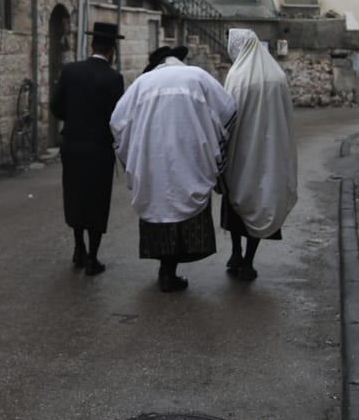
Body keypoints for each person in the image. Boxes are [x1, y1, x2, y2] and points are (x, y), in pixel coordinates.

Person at [110, 47, 237, 292]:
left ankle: (165, 269)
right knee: (186, 215)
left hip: (153, 162)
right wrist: (214, 142)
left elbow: (117, 122)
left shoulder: (142, 83)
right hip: (190, 159)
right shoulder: (197, 77)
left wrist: (133, 158)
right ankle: (172, 270)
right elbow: (228, 110)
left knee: (160, 208)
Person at [220, 28, 299, 282]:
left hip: (240, 154)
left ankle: (235, 253)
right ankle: (248, 260)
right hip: (269, 154)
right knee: (262, 199)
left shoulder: (237, 76)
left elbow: (227, 116)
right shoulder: (276, 75)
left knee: (236, 200)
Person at [49, 21, 126, 276]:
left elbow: (56, 107)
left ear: (91, 44)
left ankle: (78, 248)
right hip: (100, 150)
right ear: (112, 50)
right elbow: (118, 118)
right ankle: (93, 257)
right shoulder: (114, 79)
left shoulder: (71, 71)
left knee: (75, 197)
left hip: (73, 146)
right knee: (97, 201)